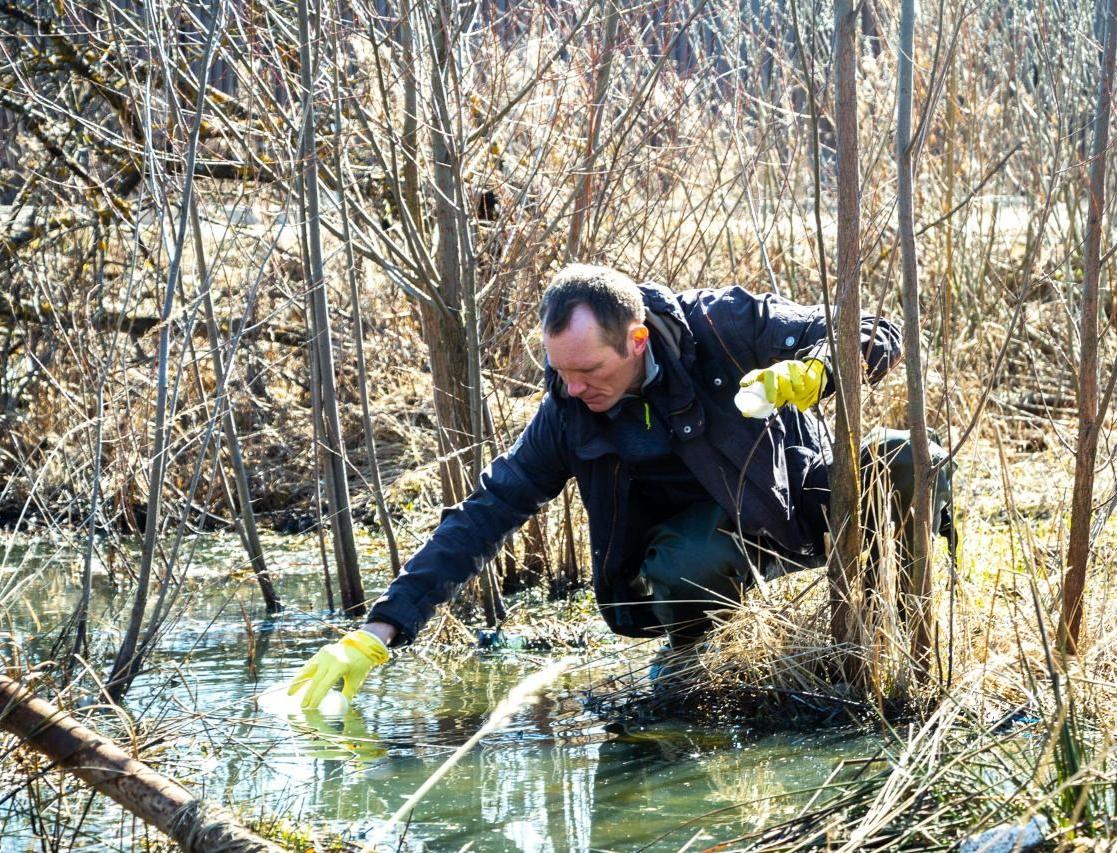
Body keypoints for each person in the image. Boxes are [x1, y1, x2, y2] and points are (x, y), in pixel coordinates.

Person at [290, 264, 946, 710]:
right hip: (693, 557)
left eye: (588, 370)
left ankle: (904, 640)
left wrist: (817, 373)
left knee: (914, 457)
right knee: (690, 560)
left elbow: (870, 329)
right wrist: (381, 628)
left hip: (790, 502)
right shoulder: (567, 413)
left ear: (634, 339)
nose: (572, 388)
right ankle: (689, 660)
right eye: (560, 372)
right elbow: (485, 513)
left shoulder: (719, 326)